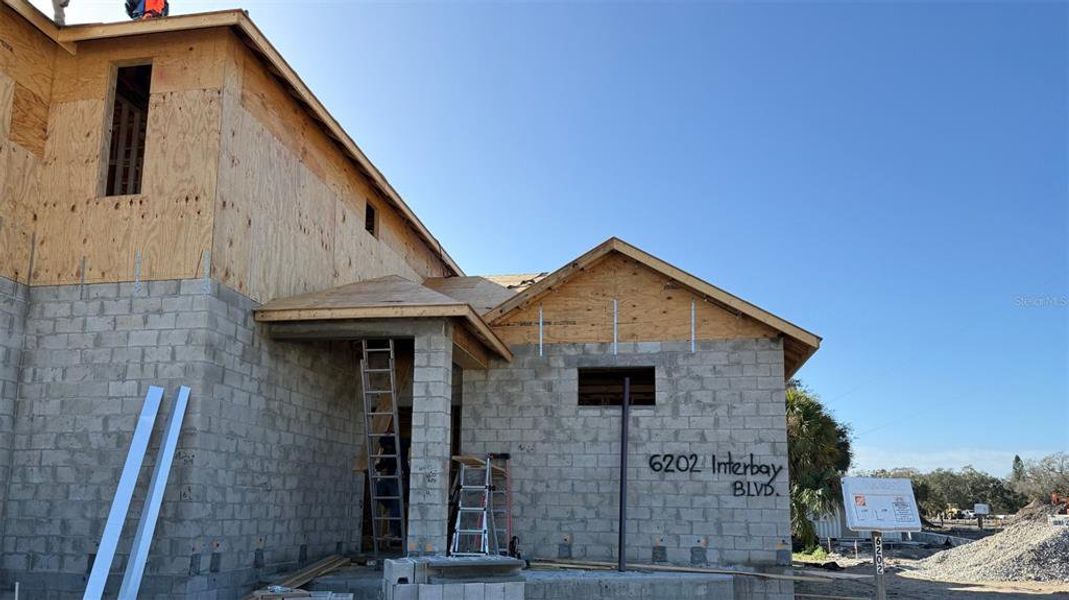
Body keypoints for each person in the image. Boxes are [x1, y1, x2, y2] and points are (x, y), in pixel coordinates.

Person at [375, 437, 403, 539]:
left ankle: (394, 531)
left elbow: (394, 462)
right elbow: (384, 464)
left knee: (396, 504)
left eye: (387, 446)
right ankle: (387, 504)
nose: (386, 447)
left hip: (399, 479)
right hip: (390, 478)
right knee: (378, 489)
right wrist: (375, 467)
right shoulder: (387, 450)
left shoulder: (399, 448)